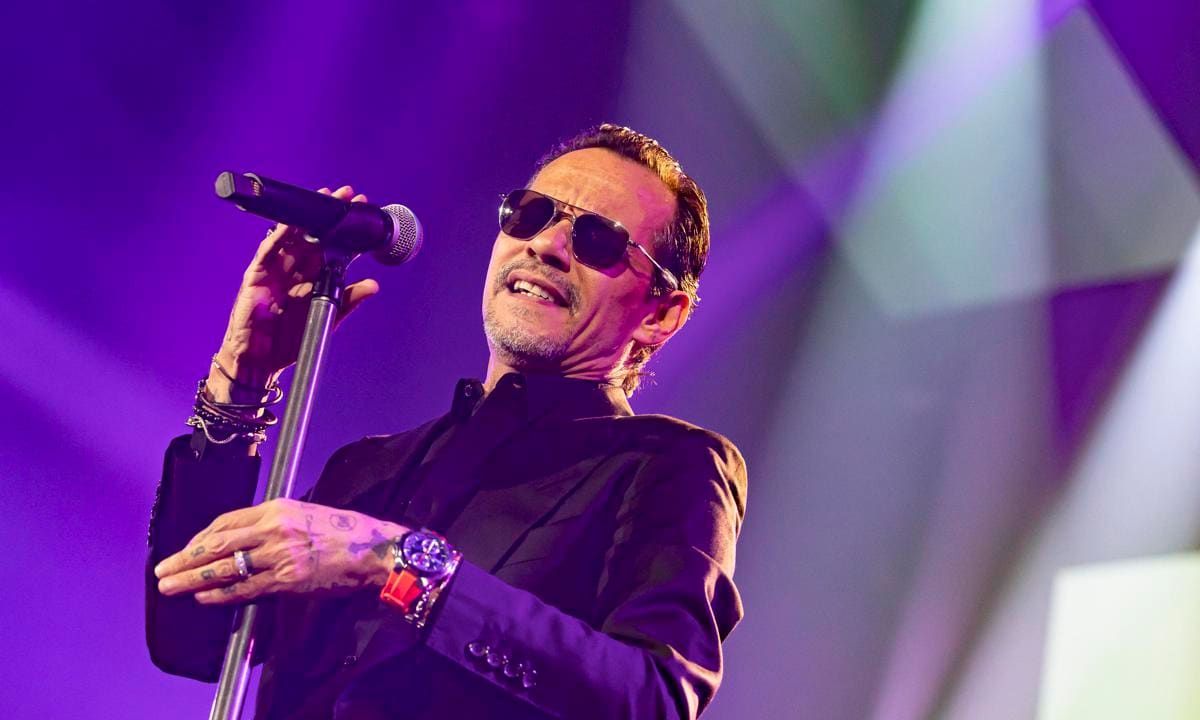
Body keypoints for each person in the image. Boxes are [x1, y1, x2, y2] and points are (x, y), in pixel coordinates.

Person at [146, 124, 748, 719]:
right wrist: (242, 378)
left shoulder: (670, 465)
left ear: (661, 315)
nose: (546, 245)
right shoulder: (367, 468)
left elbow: (653, 698)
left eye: (598, 239)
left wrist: (397, 562)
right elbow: (190, 635)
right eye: (530, 214)